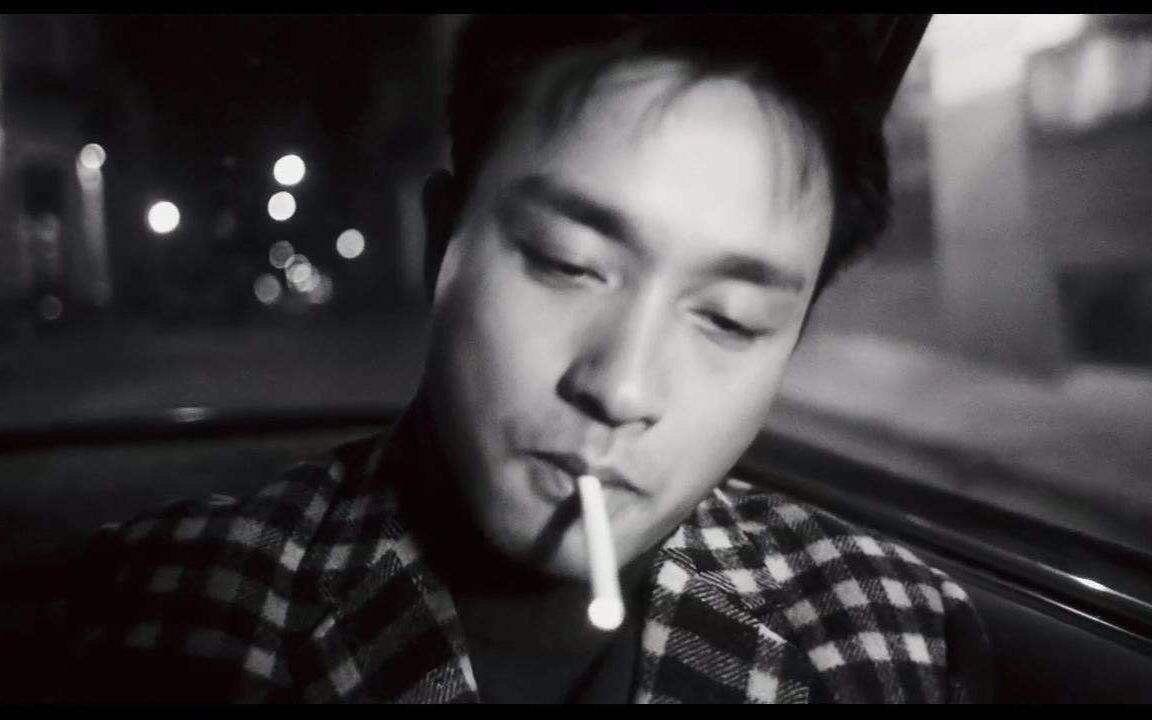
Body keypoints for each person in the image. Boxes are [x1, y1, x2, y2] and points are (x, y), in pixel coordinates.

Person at [58, 15, 991, 703]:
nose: (622, 386)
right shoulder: (175, 613)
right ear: (443, 242)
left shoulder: (892, 639)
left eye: (731, 319)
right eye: (567, 263)